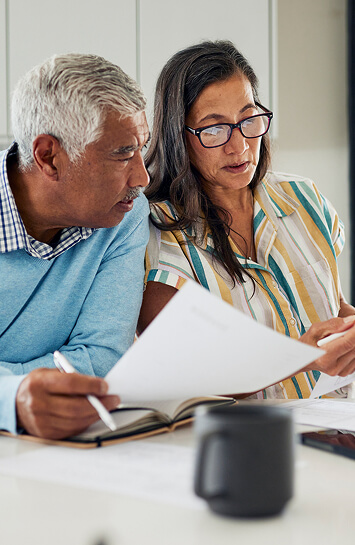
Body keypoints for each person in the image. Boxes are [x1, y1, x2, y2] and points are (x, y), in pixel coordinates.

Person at [138, 40, 355, 399]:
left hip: (338, 426)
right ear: (179, 136)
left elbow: (336, 307)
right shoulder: (156, 236)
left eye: (249, 119)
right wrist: (302, 358)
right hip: (246, 440)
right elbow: (186, 375)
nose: (238, 146)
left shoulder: (305, 198)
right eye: (214, 129)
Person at [0, 53, 150, 439]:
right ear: (49, 156)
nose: (143, 177)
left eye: (141, 148)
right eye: (122, 154)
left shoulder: (124, 214)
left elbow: (102, 359)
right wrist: (11, 398)